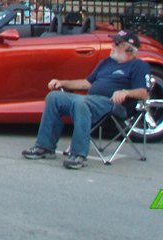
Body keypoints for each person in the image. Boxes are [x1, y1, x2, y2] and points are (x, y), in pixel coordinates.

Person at [22, 29, 151, 169]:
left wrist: (125, 92)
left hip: (113, 104)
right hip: (91, 101)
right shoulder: (106, 62)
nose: (112, 45)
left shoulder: (139, 66)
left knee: (81, 102)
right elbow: (87, 83)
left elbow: (143, 93)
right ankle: (45, 147)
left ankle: (78, 155)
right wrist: (62, 82)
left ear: (129, 49)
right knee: (54, 97)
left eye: (117, 43)